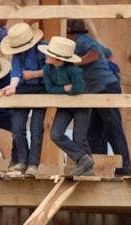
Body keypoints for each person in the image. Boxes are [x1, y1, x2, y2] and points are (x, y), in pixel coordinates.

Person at [67, 19, 131, 176]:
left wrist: (78, 63)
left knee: (112, 128)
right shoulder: (86, 40)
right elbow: (108, 54)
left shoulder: (81, 41)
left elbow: (96, 53)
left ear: (69, 30)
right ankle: (97, 168)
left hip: (105, 88)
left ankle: (125, 168)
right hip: (98, 90)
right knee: (93, 131)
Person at [39, 36, 95, 176]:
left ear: (58, 58)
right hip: (65, 106)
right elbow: (50, 89)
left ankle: (88, 170)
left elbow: (78, 89)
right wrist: (65, 89)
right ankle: (83, 159)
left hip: (81, 105)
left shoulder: (73, 70)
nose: (46, 56)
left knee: (79, 137)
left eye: (49, 54)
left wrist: (62, 91)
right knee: (55, 134)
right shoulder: (48, 69)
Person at [0, 22, 48, 177]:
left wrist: (34, 74)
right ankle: (22, 161)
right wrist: (12, 87)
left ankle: (33, 164)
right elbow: (16, 72)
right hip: (23, 89)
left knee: (36, 129)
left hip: (41, 90)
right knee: (17, 128)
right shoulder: (17, 54)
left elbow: (54, 69)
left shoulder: (45, 47)